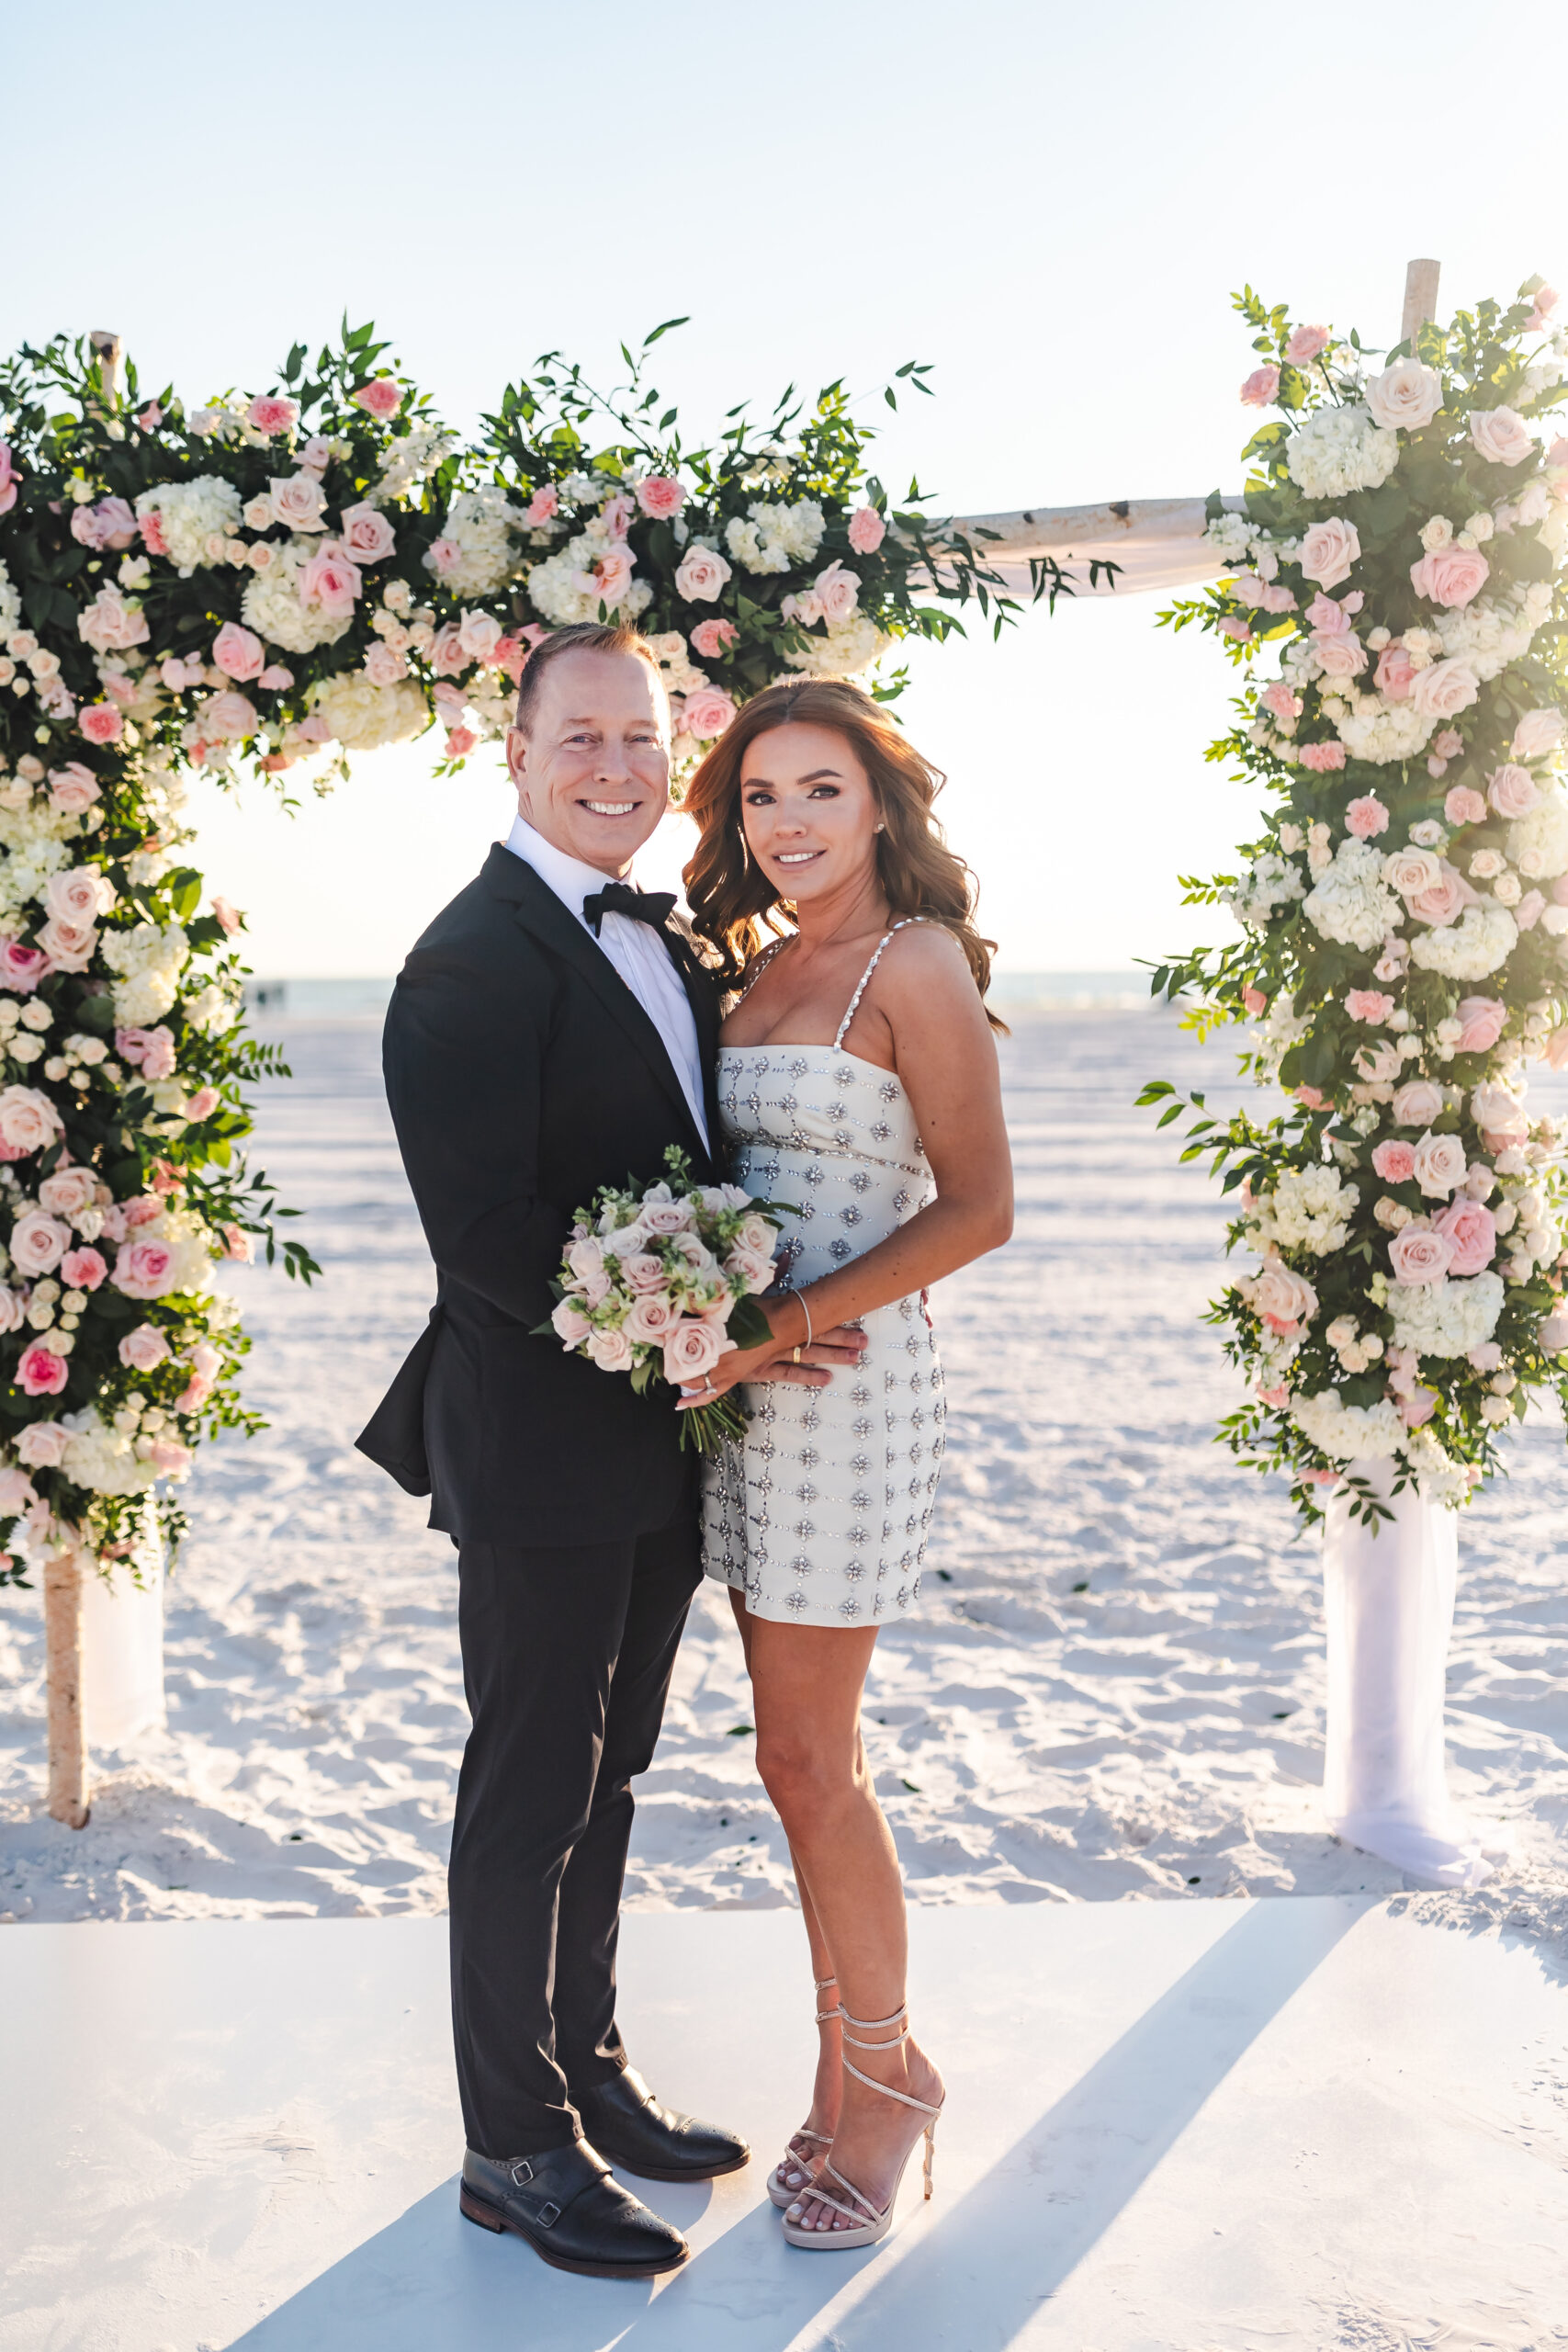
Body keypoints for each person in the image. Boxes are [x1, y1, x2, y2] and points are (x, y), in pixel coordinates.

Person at [356, 624, 865, 2279]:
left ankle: (586, 2074)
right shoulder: (468, 959)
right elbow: (486, 1237)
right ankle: (510, 2146)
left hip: (659, 1438)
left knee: (615, 1773)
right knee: (527, 1796)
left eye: (640, 743)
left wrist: (750, 1309)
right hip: (534, 1444)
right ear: (513, 756)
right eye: (579, 741)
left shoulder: (670, 934)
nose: (614, 771)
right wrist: (685, 1318)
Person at [682, 678, 1014, 2250]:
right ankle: (852, 2071)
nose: (787, 822)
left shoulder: (914, 962)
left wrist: (786, 1315)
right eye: (759, 797)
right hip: (742, 1394)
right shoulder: (751, 967)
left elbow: (976, 1208)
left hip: (845, 1386)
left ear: (878, 804)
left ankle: (881, 2082)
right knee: (785, 1757)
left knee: (817, 1761)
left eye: (818, 790)